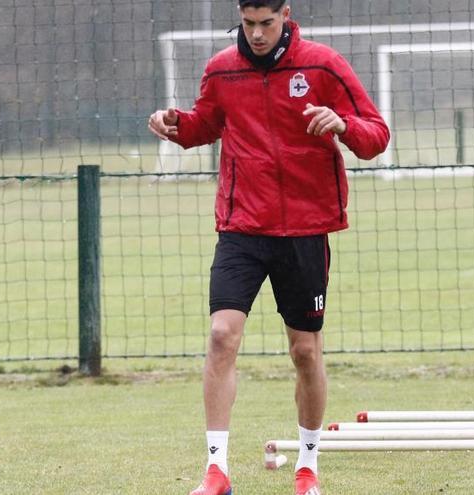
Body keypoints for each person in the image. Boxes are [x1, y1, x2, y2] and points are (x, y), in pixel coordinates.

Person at [148, 1, 389, 493]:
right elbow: (204, 125)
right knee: (221, 336)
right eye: (248, 23)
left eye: (266, 23)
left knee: (304, 351)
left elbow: (376, 135)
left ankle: (307, 467)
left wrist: (342, 125)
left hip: (305, 228)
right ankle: (216, 471)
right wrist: (176, 126)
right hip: (241, 227)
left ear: (285, 14)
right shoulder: (221, 69)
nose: (257, 34)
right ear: (240, 16)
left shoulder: (322, 64)